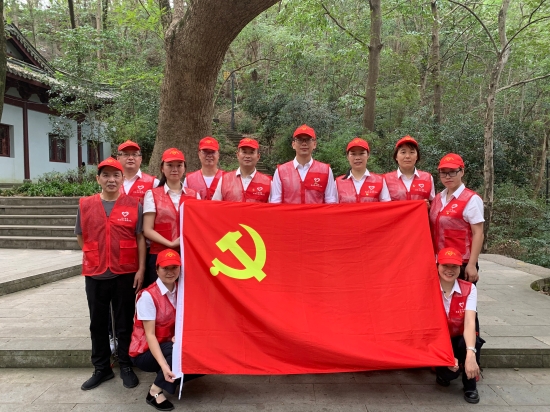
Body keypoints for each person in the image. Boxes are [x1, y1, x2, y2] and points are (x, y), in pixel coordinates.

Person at [76, 157, 145, 391]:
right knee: (97, 323)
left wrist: (140, 269)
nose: (111, 179)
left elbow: (140, 238)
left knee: (124, 322)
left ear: (122, 178)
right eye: (105, 175)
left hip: (125, 272)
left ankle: (125, 365)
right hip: (95, 272)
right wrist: (93, 254)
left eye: (116, 175)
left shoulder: (133, 204)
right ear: (98, 179)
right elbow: (80, 235)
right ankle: (101, 368)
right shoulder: (85, 204)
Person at [130, 249, 202, 411]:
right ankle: (155, 390)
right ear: (156, 270)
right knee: (177, 351)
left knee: (203, 358)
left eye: (174, 267)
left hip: (169, 345)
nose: (170, 272)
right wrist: (164, 366)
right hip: (145, 352)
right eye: (165, 268)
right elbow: (150, 336)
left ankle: (172, 375)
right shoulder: (148, 296)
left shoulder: (181, 291)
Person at [143, 148, 200, 287]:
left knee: (185, 292)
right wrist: (170, 244)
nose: (175, 169)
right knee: (159, 293)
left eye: (179, 165)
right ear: (162, 168)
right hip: (159, 254)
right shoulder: (152, 194)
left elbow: (198, 227)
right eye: (170, 165)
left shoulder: (194, 195)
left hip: (186, 255)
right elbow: (147, 229)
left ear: (184, 168)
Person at [435, 247, 483, 404]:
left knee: (471, 343)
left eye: (454, 266)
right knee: (449, 374)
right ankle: (442, 373)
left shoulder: (469, 288)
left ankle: (470, 386)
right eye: (445, 265)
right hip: (438, 340)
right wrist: (445, 354)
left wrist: (470, 354)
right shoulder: (429, 287)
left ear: (460, 268)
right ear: (437, 266)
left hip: (460, 337)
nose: (449, 270)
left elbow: (469, 322)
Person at [429, 153, 484, 283]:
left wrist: (471, 264)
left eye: (452, 172)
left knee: (462, 295)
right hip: (439, 261)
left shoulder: (471, 199)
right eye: (443, 173)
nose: (448, 177)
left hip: (460, 262)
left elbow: (478, 233)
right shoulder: (437, 199)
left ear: (462, 172)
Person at [270, 124, 337, 204]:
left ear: (314, 144)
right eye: (300, 140)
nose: (304, 143)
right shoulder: (281, 171)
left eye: (308, 140)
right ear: (293, 144)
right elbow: (275, 202)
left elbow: (331, 201)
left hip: (316, 212)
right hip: (290, 212)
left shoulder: (325, 170)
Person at [212, 137, 271, 202]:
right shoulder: (224, 179)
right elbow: (215, 205)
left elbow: (274, 206)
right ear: (238, 155)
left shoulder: (268, 182)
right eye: (244, 152)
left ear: (258, 156)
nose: (247, 156)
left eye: (251, 152)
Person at [335, 137, 391, 203]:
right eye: (353, 154)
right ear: (347, 157)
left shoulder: (379, 181)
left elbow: (387, 206)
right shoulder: (338, 183)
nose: (357, 158)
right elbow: (333, 206)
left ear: (368, 155)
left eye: (361, 153)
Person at [384, 135, 435, 203]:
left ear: (417, 156)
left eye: (412, 152)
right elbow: (383, 205)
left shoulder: (427, 178)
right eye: (403, 152)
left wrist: (428, 206)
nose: (407, 156)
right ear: (396, 157)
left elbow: (433, 204)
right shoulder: (386, 179)